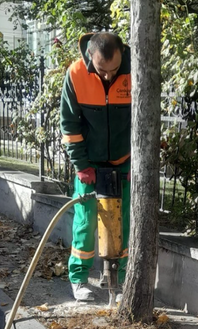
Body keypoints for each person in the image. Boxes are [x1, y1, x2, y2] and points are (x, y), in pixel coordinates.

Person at [59, 32, 131, 302]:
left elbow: (143, 121)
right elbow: (69, 124)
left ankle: (120, 282)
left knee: (122, 223)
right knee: (87, 222)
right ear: (90, 55)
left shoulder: (136, 70)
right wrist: (81, 165)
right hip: (89, 164)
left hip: (124, 162)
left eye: (114, 69)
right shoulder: (76, 74)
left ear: (122, 54)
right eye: (103, 70)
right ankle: (78, 279)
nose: (109, 76)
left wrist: (137, 162)